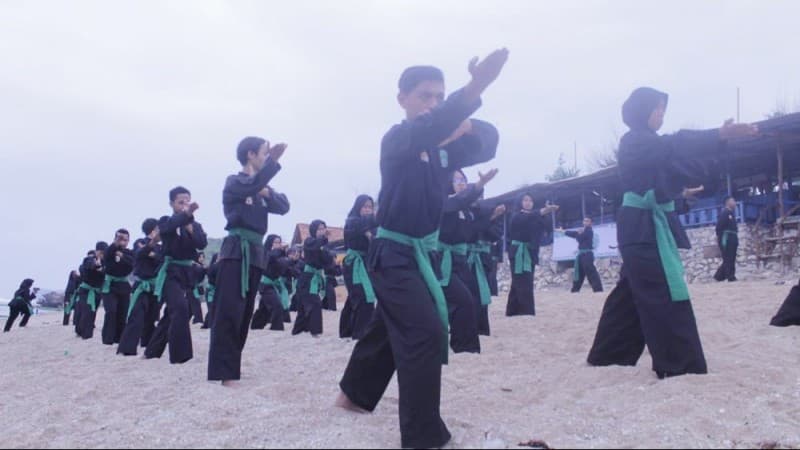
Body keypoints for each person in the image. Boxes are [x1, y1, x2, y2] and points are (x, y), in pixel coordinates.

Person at [336, 50, 508, 449]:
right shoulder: (398, 139)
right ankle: (423, 437)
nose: (432, 103)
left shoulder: (445, 150)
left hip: (423, 256)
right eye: (424, 96)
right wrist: (474, 89)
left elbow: (491, 139)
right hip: (392, 254)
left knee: (387, 329)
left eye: (438, 96)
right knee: (426, 331)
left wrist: (465, 120)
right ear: (403, 99)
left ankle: (352, 397)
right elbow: (434, 126)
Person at [587, 87, 758, 379]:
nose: (661, 114)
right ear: (642, 110)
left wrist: (718, 149)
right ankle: (681, 364)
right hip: (641, 224)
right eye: (657, 108)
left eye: (664, 109)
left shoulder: (653, 145)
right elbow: (677, 146)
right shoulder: (633, 141)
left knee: (631, 291)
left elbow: (681, 168)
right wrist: (718, 134)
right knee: (661, 288)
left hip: (649, 222)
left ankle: (609, 354)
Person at [208, 137, 289, 385]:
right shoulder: (235, 182)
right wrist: (270, 167)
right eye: (264, 153)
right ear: (251, 154)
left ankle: (233, 366)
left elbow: (284, 205)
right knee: (228, 311)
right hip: (236, 251)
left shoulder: (259, 186)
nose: (266, 157)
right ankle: (224, 372)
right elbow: (251, 185)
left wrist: (264, 188)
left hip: (255, 253)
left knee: (244, 312)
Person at [144, 187, 208, 364]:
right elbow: (167, 229)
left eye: (187, 201)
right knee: (180, 308)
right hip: (170, 272)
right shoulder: (166, 221)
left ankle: (152, 351)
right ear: (172, 204)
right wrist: (185, 216)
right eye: (181, 202)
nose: (184, 205)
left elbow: (201, 242)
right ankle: (181, 357)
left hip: (188, 272)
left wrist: (189, 226)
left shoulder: (194, 225)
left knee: (172, 314)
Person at [438, 168, 499, 352]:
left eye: (463, 179)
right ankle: (462, 345)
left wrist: (492, 217)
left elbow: (472, 231)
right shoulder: (444, 203)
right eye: (456, 179)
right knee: (461, 299)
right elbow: (457, 201)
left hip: (459, 259)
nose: (461, 182)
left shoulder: (465, 211)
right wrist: (479, 184)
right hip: (441, 260)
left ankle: (464, 345)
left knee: (470, 297)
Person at [506, 193, 559, 317]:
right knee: (523, 282)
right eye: (525, 200)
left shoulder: (535, 216)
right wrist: (542, 211)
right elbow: (526, 219)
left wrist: (546, 213)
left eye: (530, 200)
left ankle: (512, 311)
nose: (528, 202)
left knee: (518, 283)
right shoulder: (516, 216)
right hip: (518, 251)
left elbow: (547, 226)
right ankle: (527, 312)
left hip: (530, 252)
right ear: (520, 202)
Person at [118, 219, 163, 356]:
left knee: (152, 317)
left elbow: (160, 258)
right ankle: (127, 348)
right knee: (136, 317)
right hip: (142, 286)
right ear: (153, 230)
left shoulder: (161, 247)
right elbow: (141, 254)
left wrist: (154, 255)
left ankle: (147, 343)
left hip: (155, 286)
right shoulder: (139, 242)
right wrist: (152, 253)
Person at [339, 195, 378, 340]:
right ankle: (361, 333)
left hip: (366, 262)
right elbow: (364, 224)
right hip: (354, 263)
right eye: (365, 206)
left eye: (370, 207)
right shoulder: (352, 221)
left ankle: (346, 331)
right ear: (358, 207)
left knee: (355, 296)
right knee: (362, 296)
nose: (368, 210)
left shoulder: (370, 226)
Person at [467, 198, 506, 336]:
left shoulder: (488, 212)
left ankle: (480, 327)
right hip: (463, 256)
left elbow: (497, 234)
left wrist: (490, 220)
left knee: (481, 291)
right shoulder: (462, 212)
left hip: (483, 258)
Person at [292, 220, 333, 337]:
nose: (322, 231)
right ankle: (315, 331)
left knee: (304, 306)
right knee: (314, 303)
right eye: (319, 229)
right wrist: (323, 240)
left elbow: (327, 260)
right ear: (313, 230)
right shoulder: (309, 241)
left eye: (323, 228)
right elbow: (315, 246)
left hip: (316, 276)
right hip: (307, 278)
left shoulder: (324, 246)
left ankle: (298, 330)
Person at [252, 235, 292, 331]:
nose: (278, 244)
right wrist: (281, 251)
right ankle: (276, 328)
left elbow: (284, 267)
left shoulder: (280, 256)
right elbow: (271, 256)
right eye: (276, 242)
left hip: (274, 284)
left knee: (264, 308)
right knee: (277, 305)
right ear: (270, 243)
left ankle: (256, 325)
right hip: (265, 284)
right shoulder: (265, 253)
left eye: (279, 242)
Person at [101, 229, 134, 346]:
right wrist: (116, 244)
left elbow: (132, 263)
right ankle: (107, 339)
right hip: (109, 285)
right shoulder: (109, 251)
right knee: (111, 311)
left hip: (124, 285)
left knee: (123, 313)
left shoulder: (130, 253)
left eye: (125, 240)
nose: (123, 242)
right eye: (120, 239)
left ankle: (119, 338)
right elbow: (106, 256)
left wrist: (122, 255)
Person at [76, 242, 108, 339]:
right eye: (101, 253)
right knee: (86, 311)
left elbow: (106, 271)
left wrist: (102, 269)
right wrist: (96, 265)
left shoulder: (105, 262)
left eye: (104, 253)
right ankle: (82, 333)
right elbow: (90, 265)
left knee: (93, 312)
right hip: (86, 291)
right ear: (97, 251)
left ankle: (87, 334)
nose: (102, 255)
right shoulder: (89, 259)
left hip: (97, 292)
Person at [564, 218, 604, 293]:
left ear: (590, 223)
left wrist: (579, 233)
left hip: (587, 255)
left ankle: (598, 289)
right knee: (579, 273)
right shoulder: (583, 231)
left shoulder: (589, 231)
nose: (585, 222)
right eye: (584, 221)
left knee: (591, 272)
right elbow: (574, 234)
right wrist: (563, 231)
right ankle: (575, 290)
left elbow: (580, 238)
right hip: (581, 255)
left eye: (587, 221)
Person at [714, 196, 739, 282]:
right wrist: (720, 239)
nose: (735, 203)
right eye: (733, 201)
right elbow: (719, 227)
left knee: (731, 257)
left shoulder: (731, 213)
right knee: (728, 257)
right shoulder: (725, 213)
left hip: (733, 237)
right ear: (728, 202)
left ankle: (719, 276)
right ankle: (730, 276)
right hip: (726, 238)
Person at [201, 254, 220, 330]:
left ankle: (207, 323)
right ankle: (209, 324)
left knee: (212, 307)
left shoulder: (214, 267)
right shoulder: (214, 267)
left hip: (213, 290)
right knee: (212, 307)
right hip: (211, 290)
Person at [189, 253, 207, 325]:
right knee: (195, 303)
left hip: (196, 287)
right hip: (192, 287)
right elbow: (198, 271)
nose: (202, 258)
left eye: (203, 257)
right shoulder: (194, 265)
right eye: (200, 257)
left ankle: (194, 319)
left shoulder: (200, 266)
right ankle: (198, 319)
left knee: (190, 305)